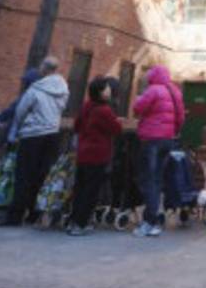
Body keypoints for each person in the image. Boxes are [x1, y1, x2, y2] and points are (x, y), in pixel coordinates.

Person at [5, 56, 69, 227]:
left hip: (32, 133)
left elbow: (21, 111)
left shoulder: (36, 88)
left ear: (44, 68)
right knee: (41, 174)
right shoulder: (63, 88)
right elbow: (62, 108)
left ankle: (15, 215)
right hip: (52, 133)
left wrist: (21, 126)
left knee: (23, 174)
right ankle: (34, 213)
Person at [132, 64, 185, 238]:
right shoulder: (174, 91)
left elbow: (137, 109)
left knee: (149, 180)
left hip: (151, 139)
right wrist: (173, 131)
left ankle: (150, 221)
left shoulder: (153, 90)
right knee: (157, 179)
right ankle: (154, 216)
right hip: (167, 140)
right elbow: (181, 117)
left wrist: (138, 98)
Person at [68, 76, 122, 236]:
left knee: (80, 189)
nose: (109, 90)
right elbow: (116, 129)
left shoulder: (86, 106)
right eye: (106, 88)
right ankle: (81, 223)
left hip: (83, 153)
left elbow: (77, 125)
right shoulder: (104, 111)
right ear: (100, 92)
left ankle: (73, 221)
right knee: (91, 191)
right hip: (98, 155)